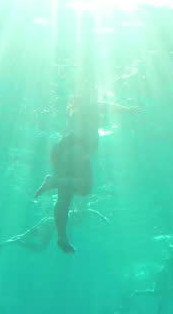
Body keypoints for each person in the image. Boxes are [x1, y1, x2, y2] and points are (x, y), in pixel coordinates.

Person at [34, 86, 139, 253]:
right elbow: (107, 105)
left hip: (61, 151)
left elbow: (60, 144)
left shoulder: (73, 115)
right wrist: (129, 110)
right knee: (85, 187)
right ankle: (53, 182)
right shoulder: (91, 107)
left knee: (64, 198)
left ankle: (62, 236)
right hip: (77, 147)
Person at [0, 207, 110, 258]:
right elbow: (66, 232)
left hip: (46, 223)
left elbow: (91, 211)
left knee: (24, 236)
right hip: (48, 226)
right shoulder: (72, 216)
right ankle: (11, 243)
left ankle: (2, 245)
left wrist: (103, 217)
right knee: (38, 248)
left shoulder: (75, 214)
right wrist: (70, 245)